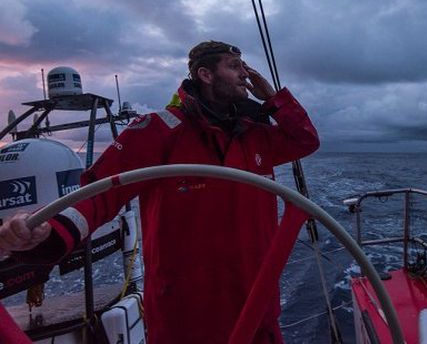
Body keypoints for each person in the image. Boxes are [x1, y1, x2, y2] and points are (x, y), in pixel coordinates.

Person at [0, 41, 320, 343]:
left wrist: (274, 100)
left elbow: (305, 140)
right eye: (235, 66)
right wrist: (47, 233)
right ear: (205, 75)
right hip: (186, 314)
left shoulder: (255, 135)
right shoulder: (158, 131)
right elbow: (99, 194)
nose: (245, 75)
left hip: (259, 302)